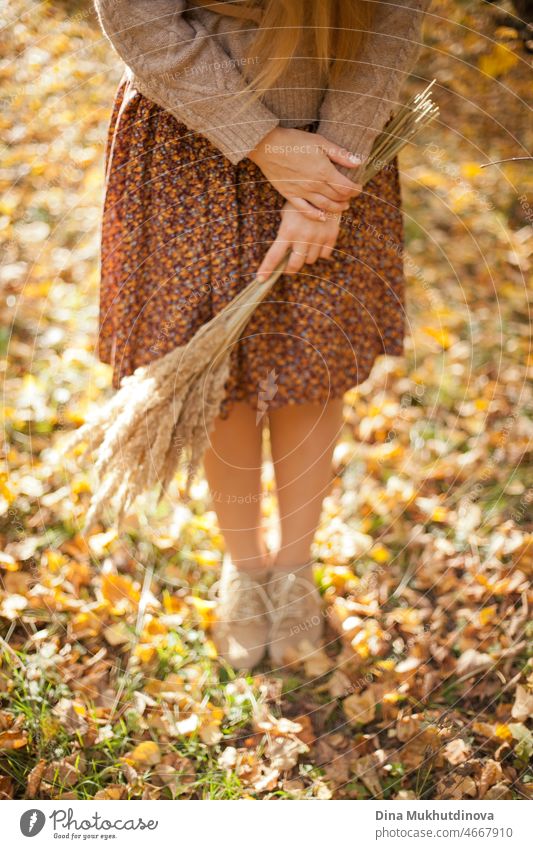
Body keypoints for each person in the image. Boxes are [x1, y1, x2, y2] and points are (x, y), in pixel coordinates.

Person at [94, 0, 430, 671]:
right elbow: (133, 13)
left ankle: (295, 566)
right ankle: (245, 570)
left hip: (336, 134)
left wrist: (327, 184)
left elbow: (394, 16)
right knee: (218, 375)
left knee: (312, 367)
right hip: (192, 136)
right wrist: (260, 140)